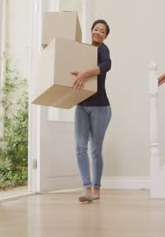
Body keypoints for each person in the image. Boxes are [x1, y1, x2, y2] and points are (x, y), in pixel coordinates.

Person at [71, 19, 112, 202]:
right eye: (96, 29)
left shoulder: (103, 50)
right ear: (91, 31)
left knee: (95, 149)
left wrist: (84, 73)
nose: (98, 32)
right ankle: (86, 188)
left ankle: (96, 189)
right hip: (81, 106)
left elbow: (106, 66)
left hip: (100, 107)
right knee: (80, 147)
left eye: (102, 31)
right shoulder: (83, 52)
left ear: (105, 36)